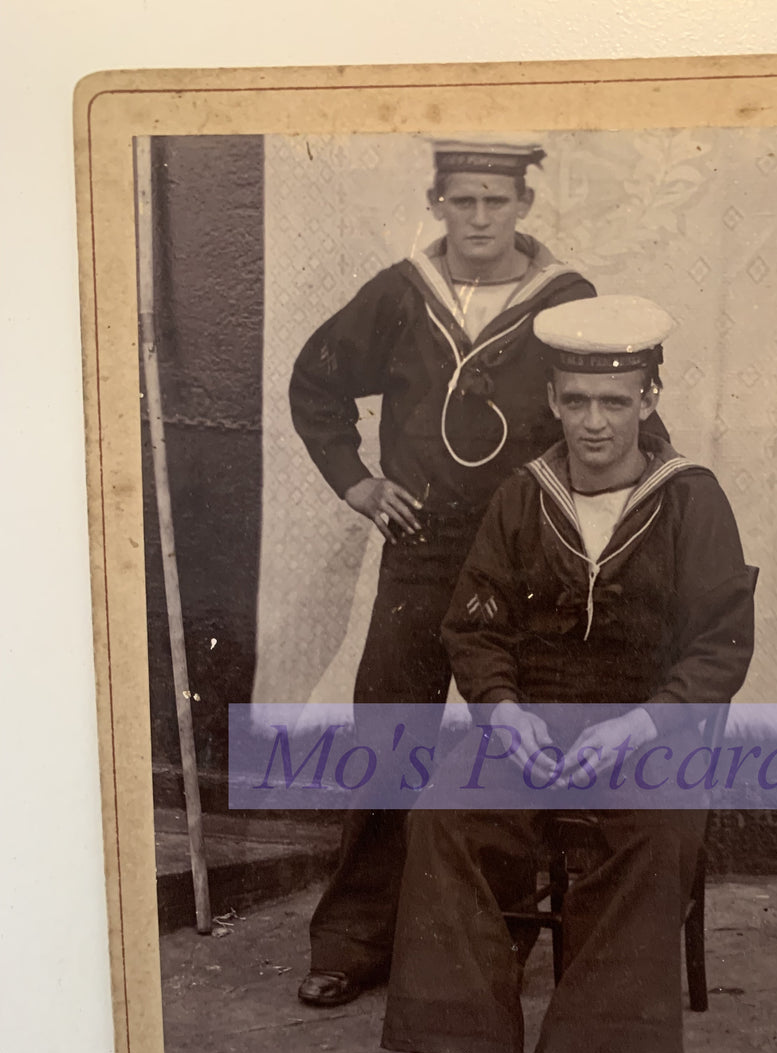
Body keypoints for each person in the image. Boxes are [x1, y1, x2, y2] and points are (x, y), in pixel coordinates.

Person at [381, 296, 756, 1053]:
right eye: (578, 400)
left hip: (641, 737)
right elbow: (472, 624)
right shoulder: (521, 498)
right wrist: (504, 714)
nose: (595, 422)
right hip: (530, 732)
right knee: (443, 817)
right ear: (552, 398)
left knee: (661, 830)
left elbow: (720, 644)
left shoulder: (691, 501)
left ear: (650, 397)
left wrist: (641, 730)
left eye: (615, 400)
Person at [288, 138, 598, 1007]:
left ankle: (499, 935)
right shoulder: (400, 292)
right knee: (389, 726)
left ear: (525, 205)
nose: (480, 218)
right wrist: (356, 481)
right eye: (463, 200)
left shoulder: (567, 302)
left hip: (523, 552)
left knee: (521, 733)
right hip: (421, 545)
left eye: (497, 200)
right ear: (437, 202)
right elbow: (315, 384)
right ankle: (356, 938)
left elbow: (608, 412)